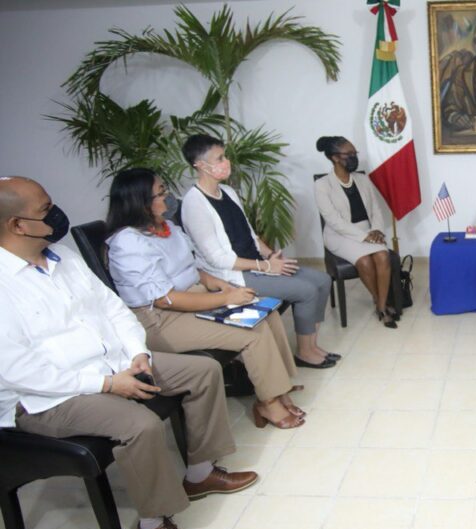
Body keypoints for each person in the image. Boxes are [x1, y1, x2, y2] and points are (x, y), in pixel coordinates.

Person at [0, 176, 258, 529]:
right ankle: (154, 525)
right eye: (45, 209)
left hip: (115, 362)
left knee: (203, 371)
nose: (56, 214)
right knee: (140, 425)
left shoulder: (64, 257)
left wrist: (137, 352)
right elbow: (18, 371)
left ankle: (200, 472)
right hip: (50, 396)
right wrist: (106, 383)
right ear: (17, 225)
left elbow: (114, 309)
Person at [106, 167, 305, 429]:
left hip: (192, 298)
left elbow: (191, 269)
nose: (168, 196)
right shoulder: (128, 243)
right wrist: (226, 298)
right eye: (161, 192)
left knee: (266, 312)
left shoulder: (167, 228)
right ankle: (268, 403)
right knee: (253, 332)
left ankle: (280, 388)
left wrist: (219, 285)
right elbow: (166, 299)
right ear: (140, 202)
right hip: (160, 320)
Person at [179, 134, 336, 369]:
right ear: (200, 165)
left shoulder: (227, 192)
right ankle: (304, 352)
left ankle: (311, 345)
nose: (227, 162)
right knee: (306, 290)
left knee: (322, 280)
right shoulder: (194, 204)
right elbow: (218, 259)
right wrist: (267, 267)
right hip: (234, 275)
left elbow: (250, 234)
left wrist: (271, 255)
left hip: (258, 264)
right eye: (220, 158)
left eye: (225, 156)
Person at [314, 135, 398, 329]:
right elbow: (334, 220)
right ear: (335, 157)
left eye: (355, 153)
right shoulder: (322, 185)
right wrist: (364, 236)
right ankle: (381, 303)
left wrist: (376, 230)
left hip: (368, 230)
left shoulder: (362, 179)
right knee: (364, 261)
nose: (354, 157)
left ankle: (381, 305)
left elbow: (376, 209)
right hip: (339, 235)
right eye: (349, 154)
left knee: (383, 256)